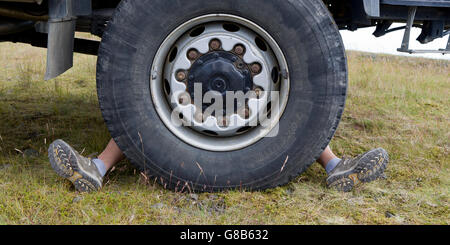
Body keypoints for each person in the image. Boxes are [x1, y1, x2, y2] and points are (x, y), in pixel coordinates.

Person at [48, 138, 388, 193]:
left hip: (197, 128)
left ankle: (97, 168)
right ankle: (335, 166)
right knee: (278, 111)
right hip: (219, 130)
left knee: (142, 108)